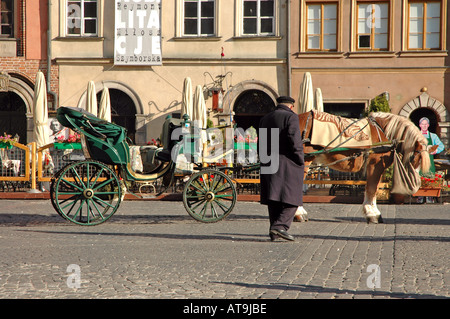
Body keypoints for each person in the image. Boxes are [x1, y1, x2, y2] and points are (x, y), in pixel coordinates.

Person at [258, 96, 305, 241]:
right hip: (286, 162)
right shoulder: (291, 117)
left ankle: (274, 230)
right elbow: (294, 140)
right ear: (291, 106)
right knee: (293, 198)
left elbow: (261, 142)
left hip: (267, 161)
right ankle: (280, 226)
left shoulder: (265, 118)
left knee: (274, 198)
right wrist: (300, 158)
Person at [418, 117, 445, 204]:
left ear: (428, 125)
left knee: (430, 176)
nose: (424, 126)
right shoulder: (417, 135)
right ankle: (420, 196)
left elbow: (441, 146)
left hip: (429, 159)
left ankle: (430, 197)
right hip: (419, 160)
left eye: (426, 124)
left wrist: (435, 151)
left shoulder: (433, 136)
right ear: (420, 125)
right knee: (419, 176)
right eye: (423, 124)